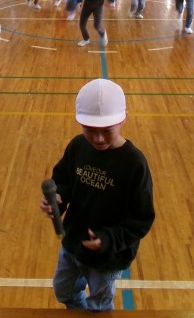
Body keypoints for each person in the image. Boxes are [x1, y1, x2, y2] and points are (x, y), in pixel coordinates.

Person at [39, 78, 155, 311]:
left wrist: (108, 239)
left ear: (123, 119)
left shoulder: (134, 163)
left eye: (107, 131)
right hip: (73, 242)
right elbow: (63, 181)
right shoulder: (77, 146)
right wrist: (58, 201)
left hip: (107, 257)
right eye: (90, 130)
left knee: (99, 306)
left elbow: (141, 219)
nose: (98, 138)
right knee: (64, 291)